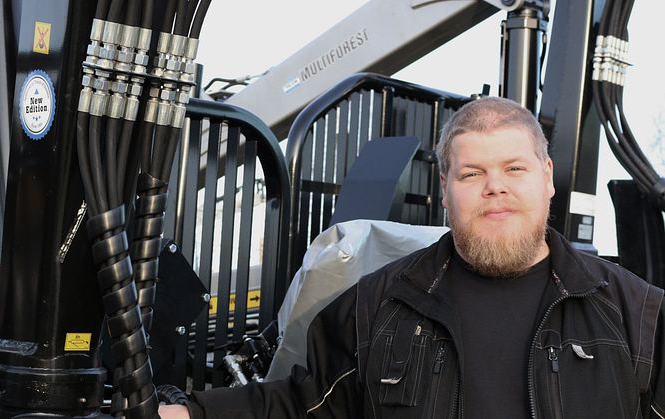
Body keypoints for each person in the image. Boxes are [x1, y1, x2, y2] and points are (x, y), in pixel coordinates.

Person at [160, 97, 665, 418]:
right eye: (472, 174)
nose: (495, 188)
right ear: (445, 189)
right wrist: (191, 413)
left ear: (547, 176)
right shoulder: (375, 305)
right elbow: (300, 404)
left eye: (513, 168)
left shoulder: (635, 315)